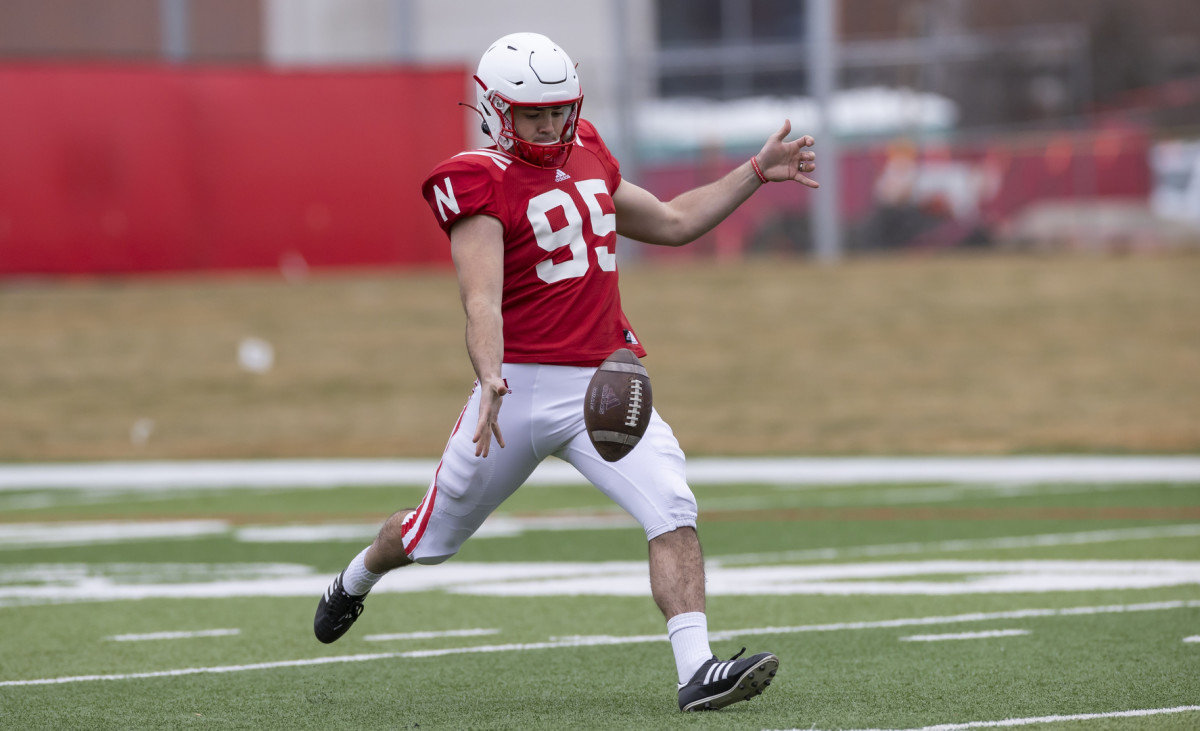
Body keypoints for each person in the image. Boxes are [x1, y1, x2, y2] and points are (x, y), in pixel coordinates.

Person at [314, 31, 819, 712]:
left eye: (558, 109)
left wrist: (754, 172)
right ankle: (353, 579)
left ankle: (697, 670)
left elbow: (671, 221)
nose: (550, 124)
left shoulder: (589, 155)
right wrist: (489, 375)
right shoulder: (477, 178)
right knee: (429, 536)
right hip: (517, 386)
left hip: (602, 381)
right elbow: (480, 298)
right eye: (534, 113)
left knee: (671, 505)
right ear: (497, 111)